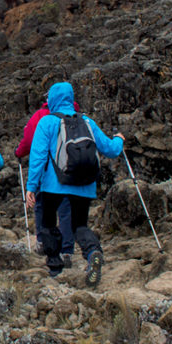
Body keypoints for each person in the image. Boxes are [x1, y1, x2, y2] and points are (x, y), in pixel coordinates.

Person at [25, 82, 124, 286]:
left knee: (48, 223)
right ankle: (92, 252)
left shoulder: (47, 122)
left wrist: (31, 187)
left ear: (52, 99)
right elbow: (111, 150)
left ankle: (55, 265)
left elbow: (38, 157)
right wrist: (119, 139)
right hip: (84, 184)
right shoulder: (87, 121)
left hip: (54, 185)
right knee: (79, 224)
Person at [16, 99, 77, 266]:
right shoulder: (76, 114)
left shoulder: (41, 116)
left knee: (42, 207)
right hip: (72, 172)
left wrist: (19, 152)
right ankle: (67, 251)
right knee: (66, 211)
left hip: (48, 175)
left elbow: (29, 141)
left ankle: (43, 243)